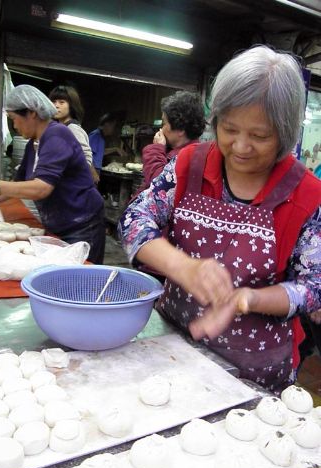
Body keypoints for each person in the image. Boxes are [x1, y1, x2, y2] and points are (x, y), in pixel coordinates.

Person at [118, 45, 321, 393]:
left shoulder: (307, 195)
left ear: (285, 134)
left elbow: (313, 287)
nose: (241, 147)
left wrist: (246, 299)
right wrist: (183, 267)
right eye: (229, 129)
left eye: (260, 136)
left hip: (254, 372)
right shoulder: (189, 166)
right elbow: (135, 219)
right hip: (173, 350)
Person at [0, 84, 106, 264]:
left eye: (14, 119)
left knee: (83, 281)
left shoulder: (57, 135)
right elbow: (19, 183)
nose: (14, 125)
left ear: (32, 113)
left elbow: (42, 188)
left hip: (82, 224)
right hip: (59, 223)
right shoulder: (33, 144)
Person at [136, 90, 205, 196]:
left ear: (181, 129)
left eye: (164, 123)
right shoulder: (174, 150)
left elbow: (159, 185)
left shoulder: (190, 158)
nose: (161, 128)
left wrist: (156, 149)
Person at [49, 85, 100, 184]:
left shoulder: (73, 129)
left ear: (71, 105)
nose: (56, 105)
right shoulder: (58, 127)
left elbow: (86, 157)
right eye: (53, 102)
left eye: (61, 102)